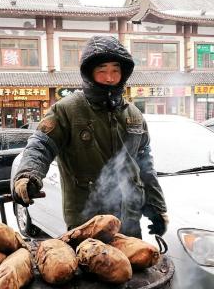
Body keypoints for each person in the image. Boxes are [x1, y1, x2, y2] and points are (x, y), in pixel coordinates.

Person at [11, 35, 168, 238]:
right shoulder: (67, 110)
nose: (110, 77)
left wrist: (156, 206)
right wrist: (27, 174)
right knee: (90, 267)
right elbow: (41, 145)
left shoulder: (134, 115)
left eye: (115, 71)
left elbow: (145, 163)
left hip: (129, 222)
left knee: (131, 269)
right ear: (90, 73)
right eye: (102, 71)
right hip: (86, 223)